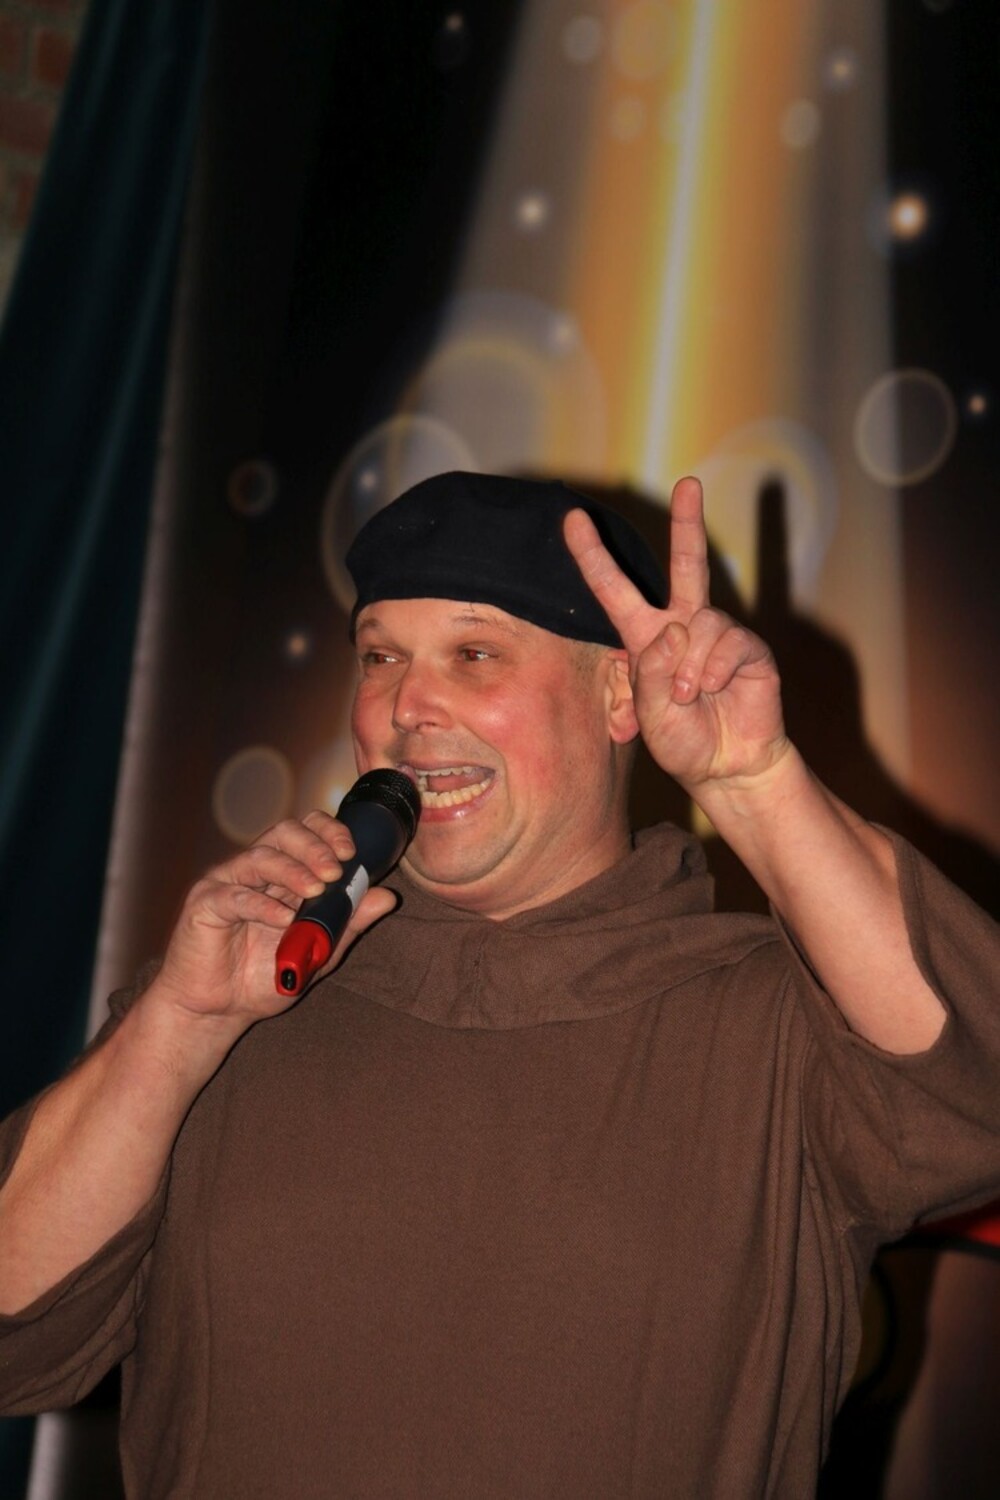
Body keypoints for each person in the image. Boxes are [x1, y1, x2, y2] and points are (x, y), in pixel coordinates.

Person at [0, 470, 997, 1499]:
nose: (406, 705)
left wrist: (753, 782)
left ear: (620, 694)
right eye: (380, 656)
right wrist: (176, 1026)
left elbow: (974, 1098)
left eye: (474, 655)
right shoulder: (234, 1000)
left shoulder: (769, 1021)